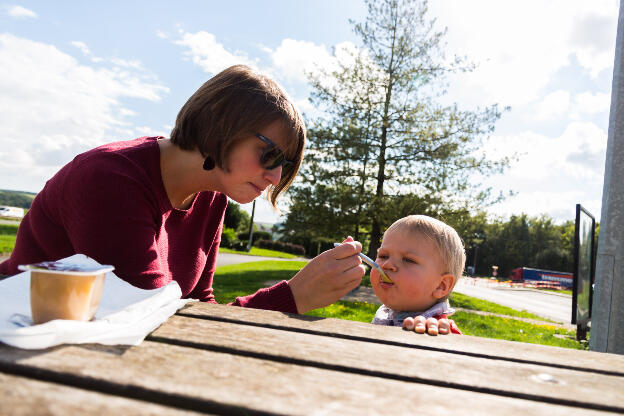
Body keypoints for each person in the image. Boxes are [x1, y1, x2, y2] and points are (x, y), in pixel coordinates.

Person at [0, 65, 366, 314]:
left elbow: (196, 307)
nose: (274, 177)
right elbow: (151, 318)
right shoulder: (110, 180)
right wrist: (293, 296)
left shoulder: (212, 197)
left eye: (284, 166)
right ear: (221, 123)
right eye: (270, 154)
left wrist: (292, 296)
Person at [368, 215, 465, 335]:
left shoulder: (438, 328)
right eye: (383, 256)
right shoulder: (387, 313)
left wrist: (435, 338)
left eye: (408, 260)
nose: (387, 265)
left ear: (441, 286)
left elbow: (455, 350)